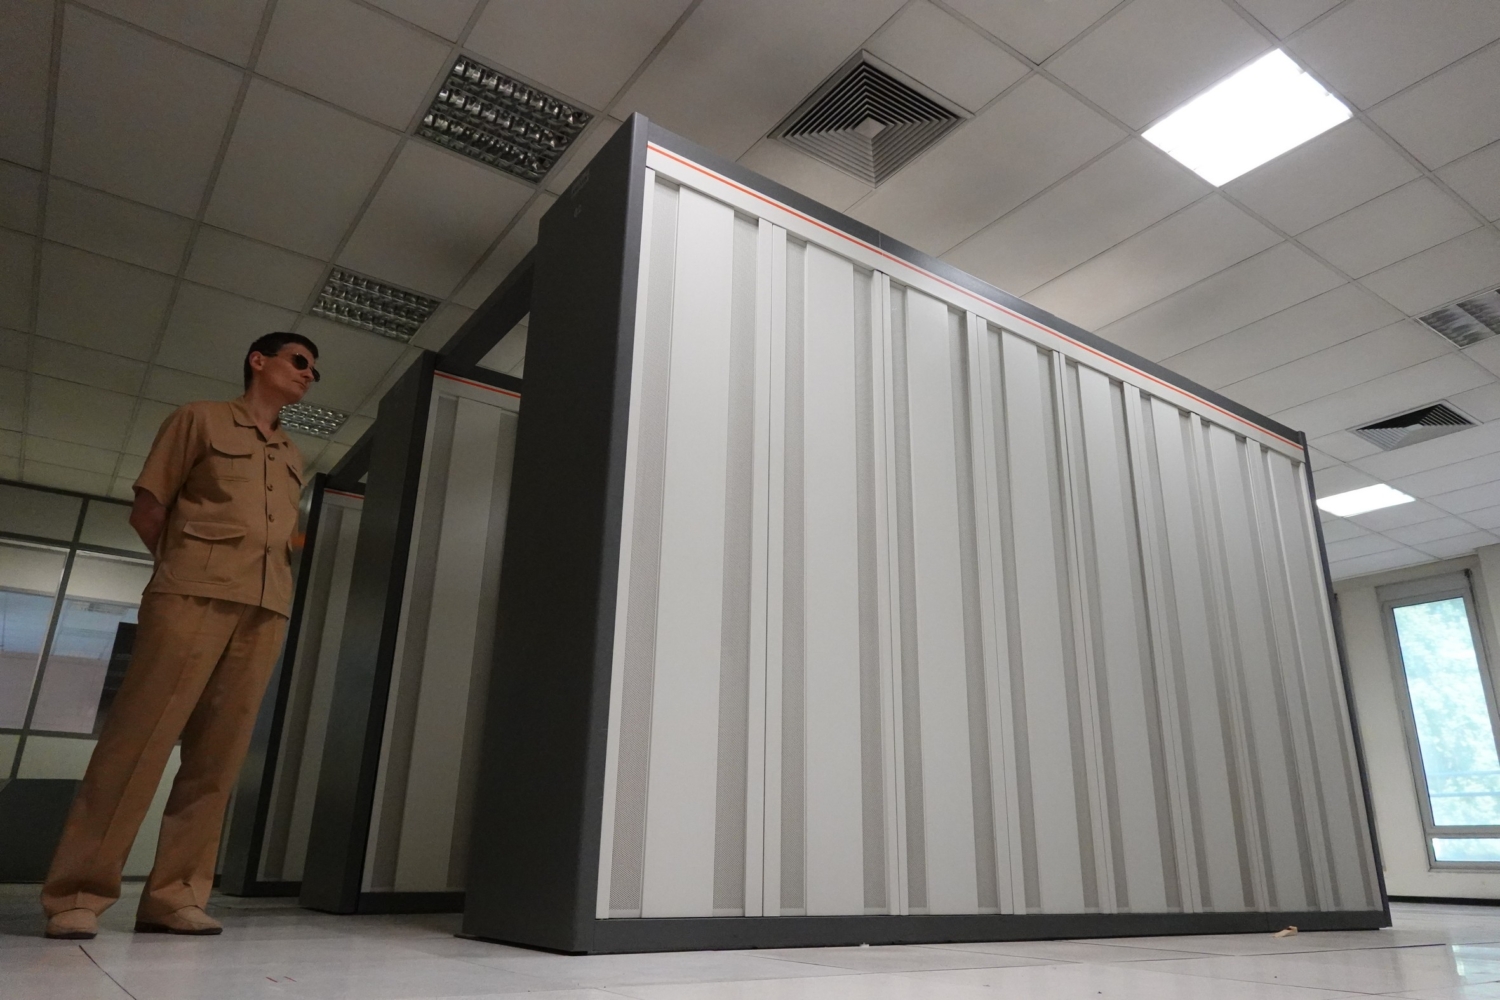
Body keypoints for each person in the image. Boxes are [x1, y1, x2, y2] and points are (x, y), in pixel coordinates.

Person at [41, 332, 321, 939]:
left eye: (313, 370)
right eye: (300, 361)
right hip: (190, 595)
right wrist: (186, 569)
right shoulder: (199, 419)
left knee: (218, 759)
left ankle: (175, 896)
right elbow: (149, 509)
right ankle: (77, 893)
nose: (309, 374)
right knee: (136, 743)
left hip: (264, 608)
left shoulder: (292, 454)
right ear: (258, 361)